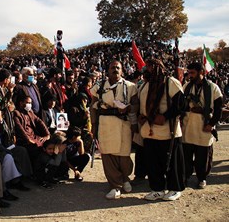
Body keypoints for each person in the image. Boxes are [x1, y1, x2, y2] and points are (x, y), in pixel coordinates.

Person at [138, 58, 186, 201]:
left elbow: (181, 105)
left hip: (168, 131)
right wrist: (142, 116)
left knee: (172, 162)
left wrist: (165, 116)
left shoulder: (170, 82)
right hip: (150, 131)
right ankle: (157, 189)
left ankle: (175, 189)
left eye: (150, 67)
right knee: (153, 162)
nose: (147, 69)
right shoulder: (145, 85)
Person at [90, 60, 138, 199]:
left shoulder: (130, 87)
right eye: (112, 67)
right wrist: (94, 125)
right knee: (108, 155)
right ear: (108, 70)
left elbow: (136, 105)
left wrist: (128, 108)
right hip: (105, 124)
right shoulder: (98, 87)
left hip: (124, 124)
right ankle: (115, 186)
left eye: (118, 68)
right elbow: (93, 107)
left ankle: (125, 178)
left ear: (122, 70)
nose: (115, 70)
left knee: (124, 156)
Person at [182, 62, 223, 189]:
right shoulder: (187, 86)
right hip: (188, 127)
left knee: (203, 156)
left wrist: (211, 124)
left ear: (201, 72)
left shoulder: (213, 87)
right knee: (187, 155)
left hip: (204, 126)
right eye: (188, 73)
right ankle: (186, 177)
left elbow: (218, 109)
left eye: (192, 73)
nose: (190, 76)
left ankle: (202, 178)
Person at [13, 94, 50, 166]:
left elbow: (39, 121)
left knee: (49, 144)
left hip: (35, 137)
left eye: (30, 103)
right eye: (27, 103)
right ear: (21, 103)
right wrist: (29, 140)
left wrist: (47, 134)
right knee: (37, 149)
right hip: (25, 140)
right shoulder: (17, 113)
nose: (29, 105)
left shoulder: (30, 112)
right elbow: (20, 129)